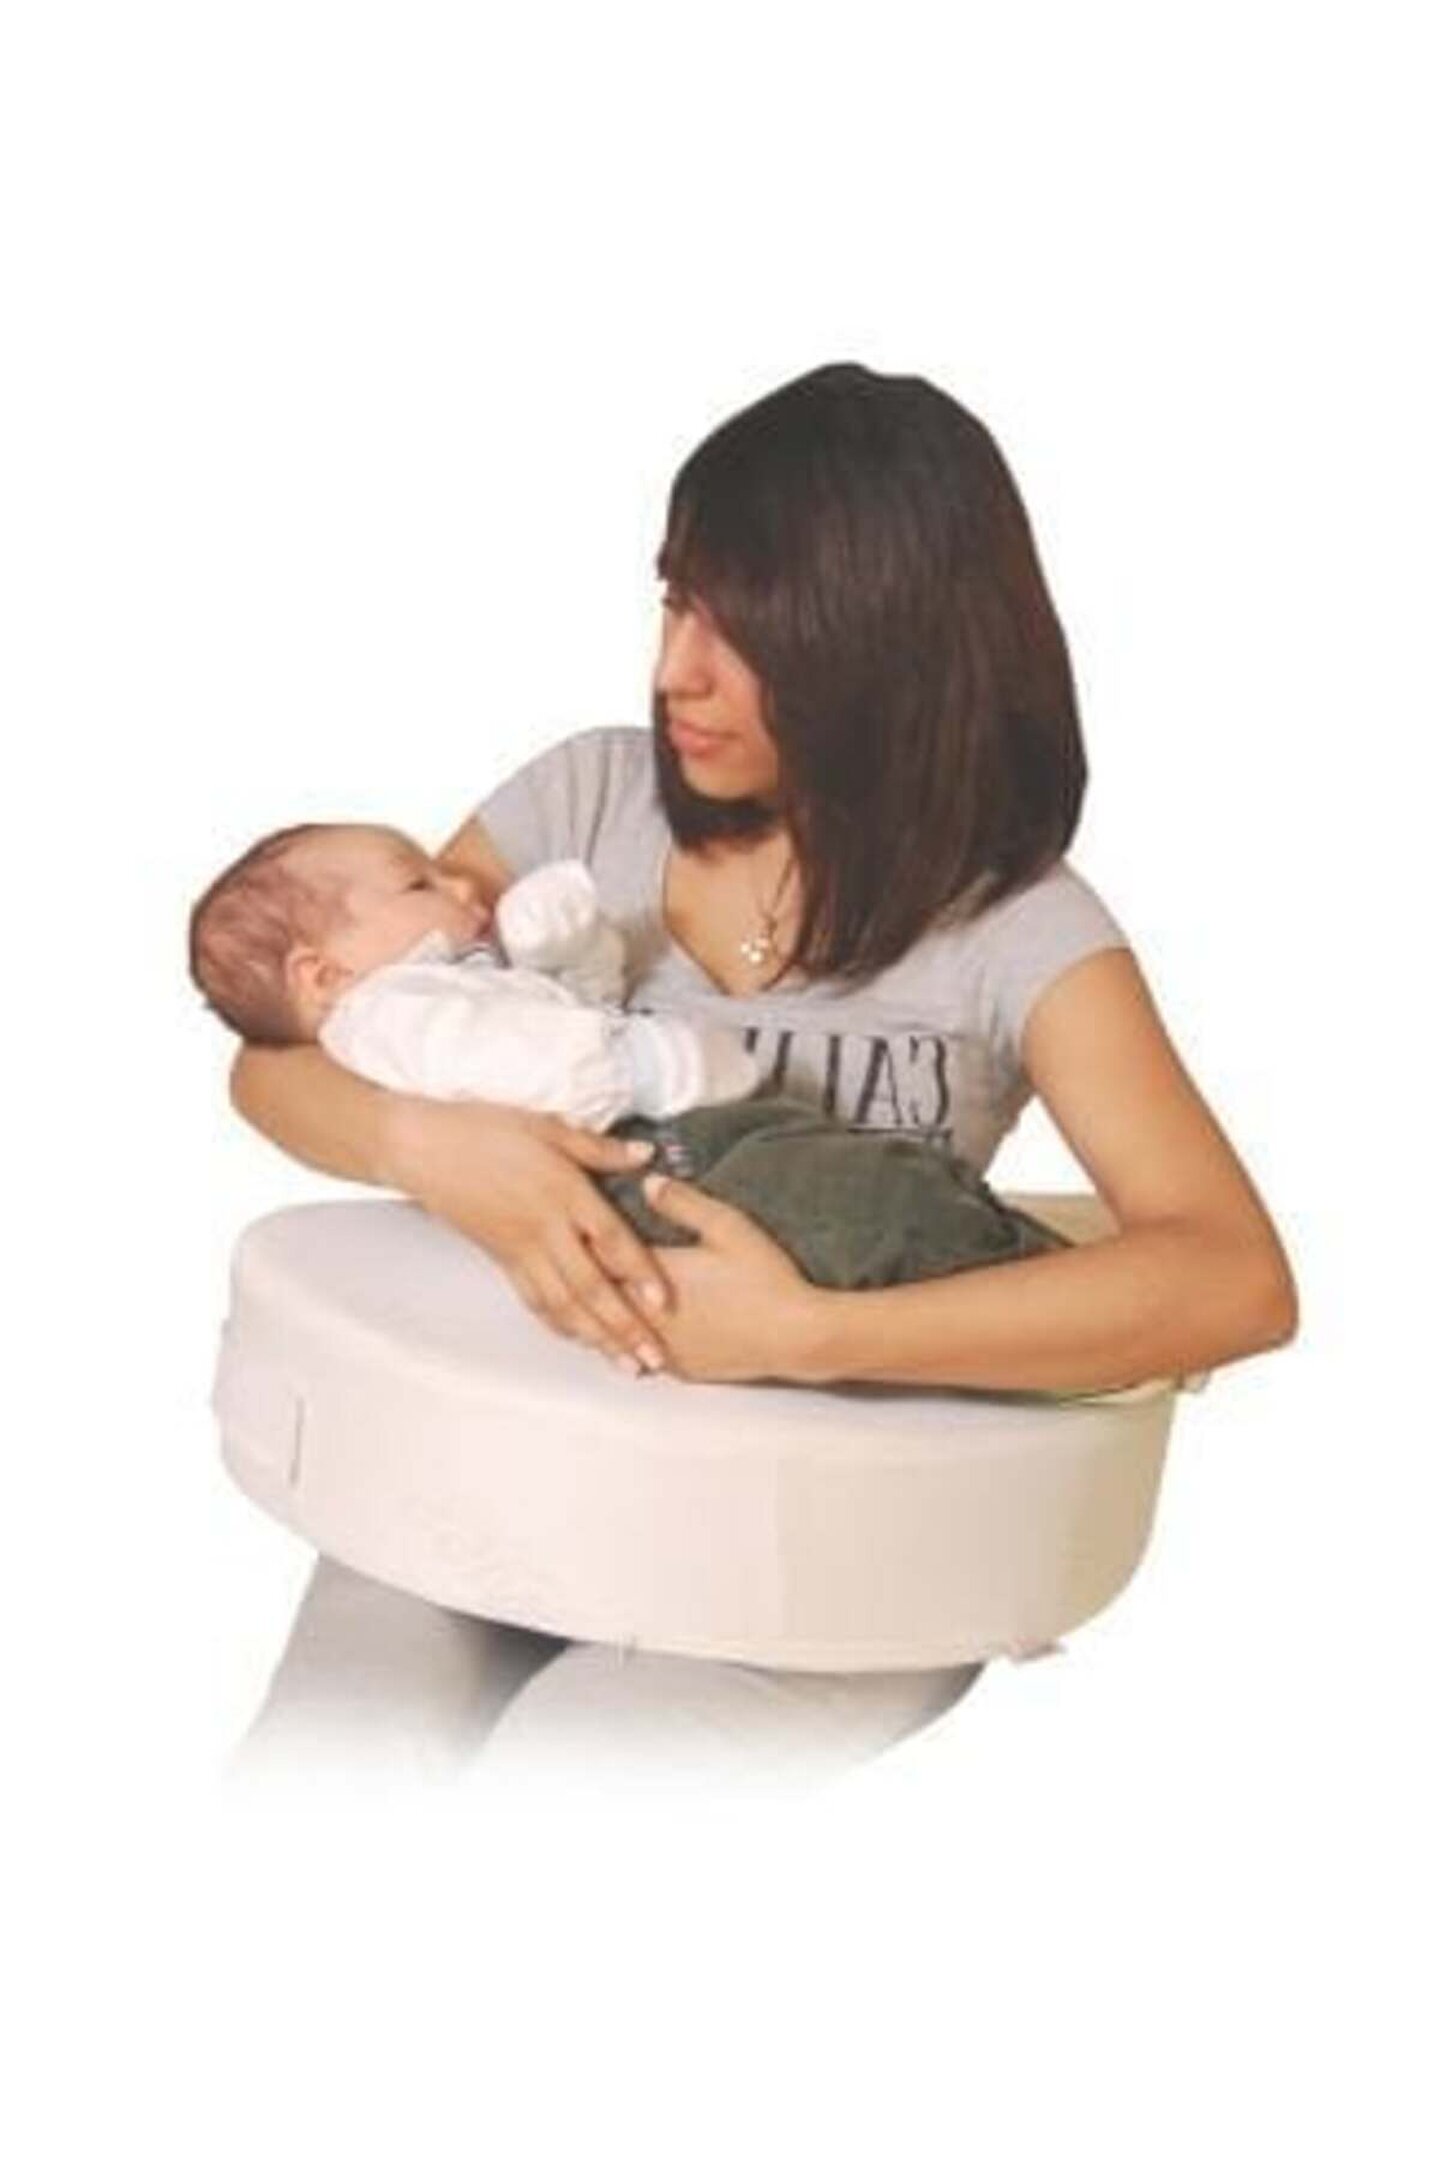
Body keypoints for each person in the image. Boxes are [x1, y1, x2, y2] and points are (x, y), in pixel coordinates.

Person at [226, 362, 1299, 1793]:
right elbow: (288, 1052)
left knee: (562, 1792)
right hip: (521, 1436)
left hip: (830, 1525)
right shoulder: (586, 802)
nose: (680, 669)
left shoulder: (1020, 928)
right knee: (329, 1756)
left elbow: (1234, 1280)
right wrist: (435, 1149)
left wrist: (808, 1333)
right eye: (676, 602)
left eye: (748, 633)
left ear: (889, 648)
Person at [188, 822, 1068, 1298]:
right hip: (640, 1156)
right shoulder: (388, 1014)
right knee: (838, 1203)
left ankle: (1010, 1260)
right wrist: (640, 1065)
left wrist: (565, 953)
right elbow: (534, 1068)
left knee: (845, 1181)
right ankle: (1019, 1271)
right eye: (419, 883)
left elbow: (563, 1014)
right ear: (322, 975)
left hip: (676, 1138)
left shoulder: (451, 984)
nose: (458, 883)